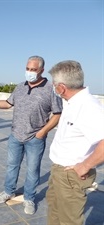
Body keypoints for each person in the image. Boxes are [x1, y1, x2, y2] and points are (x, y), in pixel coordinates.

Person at [0, 55, 63, 215]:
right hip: (15, 135)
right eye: (27, 69)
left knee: (32, 169)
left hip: (35, 138)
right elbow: (8, 104)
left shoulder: (51, 89)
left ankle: (29, 198)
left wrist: (43, 132)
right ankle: (9, 191)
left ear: (42, 70)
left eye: (33, 69)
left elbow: (57, 114)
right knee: (12, 166)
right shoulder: (20, 87)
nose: (29, 72)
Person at [46, 60, 104, 225]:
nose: (53, 87)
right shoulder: (71, 102)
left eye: (54, 84)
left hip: (70, 175)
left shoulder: (88, 107)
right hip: (59, 170)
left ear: (62, 87)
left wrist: (85, 165)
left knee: (69, 221)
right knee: (55, 212)